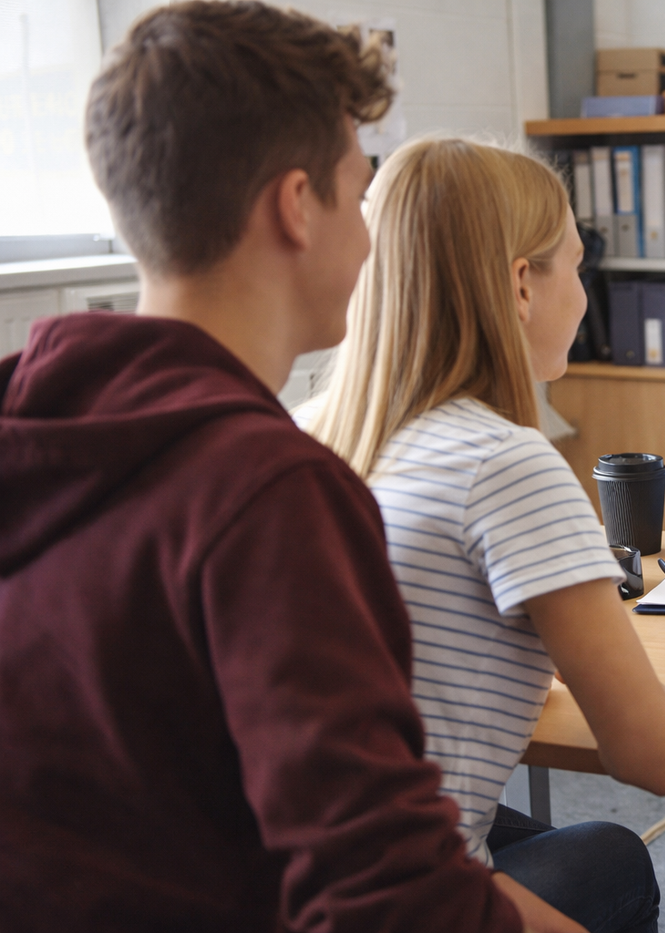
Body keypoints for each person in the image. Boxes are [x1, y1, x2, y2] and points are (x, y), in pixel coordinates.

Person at [0, 3, 577, 931]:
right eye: (357, 196)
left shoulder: (42, 422)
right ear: (296, 205)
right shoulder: (267, 493)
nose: (370, 242)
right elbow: (390, 898)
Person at [300, 136, 665, 933]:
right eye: (575, 266)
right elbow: (651, 759)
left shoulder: (305, 433)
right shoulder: (505, 464)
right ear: (521, 283)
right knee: (613, 853)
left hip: (283, 878)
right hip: (400, 901)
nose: (582, 297)